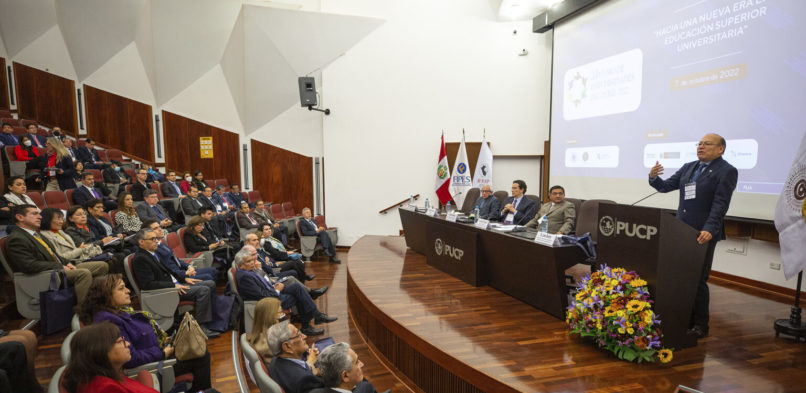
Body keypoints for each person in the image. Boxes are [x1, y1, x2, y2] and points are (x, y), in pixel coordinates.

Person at [648, 133, 738, 338]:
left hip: (703, 233)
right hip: (680, 231)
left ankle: (700, 325)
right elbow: (665, 187)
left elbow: (720, 203)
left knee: (697, 280)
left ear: (720, 149)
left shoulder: (726, 171)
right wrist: (654, 177)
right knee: (680, 277)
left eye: (707, 144)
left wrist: (710, 228)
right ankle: (682, 318)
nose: (701, 147)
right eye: (699, 144)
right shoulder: (690, 166)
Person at [79, 275, 212, 392]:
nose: (128, 291)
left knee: (195, 348)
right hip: (150, 365)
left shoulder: (117, 312)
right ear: (106, 295)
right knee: (201, 356)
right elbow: (131, 357)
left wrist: (163, 342)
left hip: (155, 352)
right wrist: (162, 353)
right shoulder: (109, 322)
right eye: (121, 288)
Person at [130, 228, 220, 338]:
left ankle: (212, 318)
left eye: (157, 238)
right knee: (203, 290)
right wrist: (173, 286)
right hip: (167, 292)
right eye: (153, 239)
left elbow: (169, 271)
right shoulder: (140, 258)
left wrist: (184, 278)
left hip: (175, 284)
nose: (156, 241)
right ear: (141, 242)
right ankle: (201, 327)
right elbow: (148, 284)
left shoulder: (153, 253)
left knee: (210, 283)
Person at [234, 246, 336, 336]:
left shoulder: (249, 270)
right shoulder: (244, 276)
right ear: (240, 264)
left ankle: (315, 317)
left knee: (296, 287)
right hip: (267, 302)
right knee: (299, 295)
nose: (252, 263)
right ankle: (309, 323)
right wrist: (277, 290)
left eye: (252, 260)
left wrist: (274, 286)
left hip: (271, 291)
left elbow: (263, 284)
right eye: (248, 261)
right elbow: (261, 296)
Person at [6, 205, 97, 304]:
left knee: (101, 266)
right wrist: (60, 266)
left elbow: (55, 255)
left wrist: (66, 263)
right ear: (20, 217)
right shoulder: (17, 238)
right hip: (44, 275)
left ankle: (100, 301)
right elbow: (29, 265)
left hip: (57, 269)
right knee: (83, 273)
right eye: (34, 214)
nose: (40, 217)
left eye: (39, 214)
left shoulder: (35, 234)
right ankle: (85, 311)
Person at [61, 322, 158, 393]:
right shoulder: (107, 389)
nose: (128, 344)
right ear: (101, 350)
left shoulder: (102, 374)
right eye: (121, 341)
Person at [39, 208, 114, 274]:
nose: (61, 221)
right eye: (58, 219)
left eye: (62, 219)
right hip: (70, 263)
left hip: (79, 258)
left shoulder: (60, 232)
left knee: (112, 258)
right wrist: (80, 249)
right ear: (47, 219)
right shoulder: (46, 236)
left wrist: (81, 248)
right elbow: (60, 257)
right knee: (105, 264)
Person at [142, 219, 218, 283]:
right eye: (155, 228)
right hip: (178, 276)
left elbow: (176, 259)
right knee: (208, 277)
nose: (160, 229)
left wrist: (188, 266)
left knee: (214, 271)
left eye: (159, 226)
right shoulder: (154, 249)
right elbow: (168, 269)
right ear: (148, 233)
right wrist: (185, 273)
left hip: (182, 270)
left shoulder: (161, 243)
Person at [266, 321, 324, 393]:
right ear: (287, 346)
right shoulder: (305, 380)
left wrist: (309, 363)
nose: (305, 336)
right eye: (299, 335)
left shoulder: (274, 361)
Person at [313, 342, 385, 393]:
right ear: (345, 376)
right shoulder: (367, 388)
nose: (362, 364)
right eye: (357, 362)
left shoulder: (313, 391)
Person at [247, 297, 284, 364]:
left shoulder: (259, 335)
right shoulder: (270, 344)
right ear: (271, 316)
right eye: (281, 312)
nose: (283, 315)